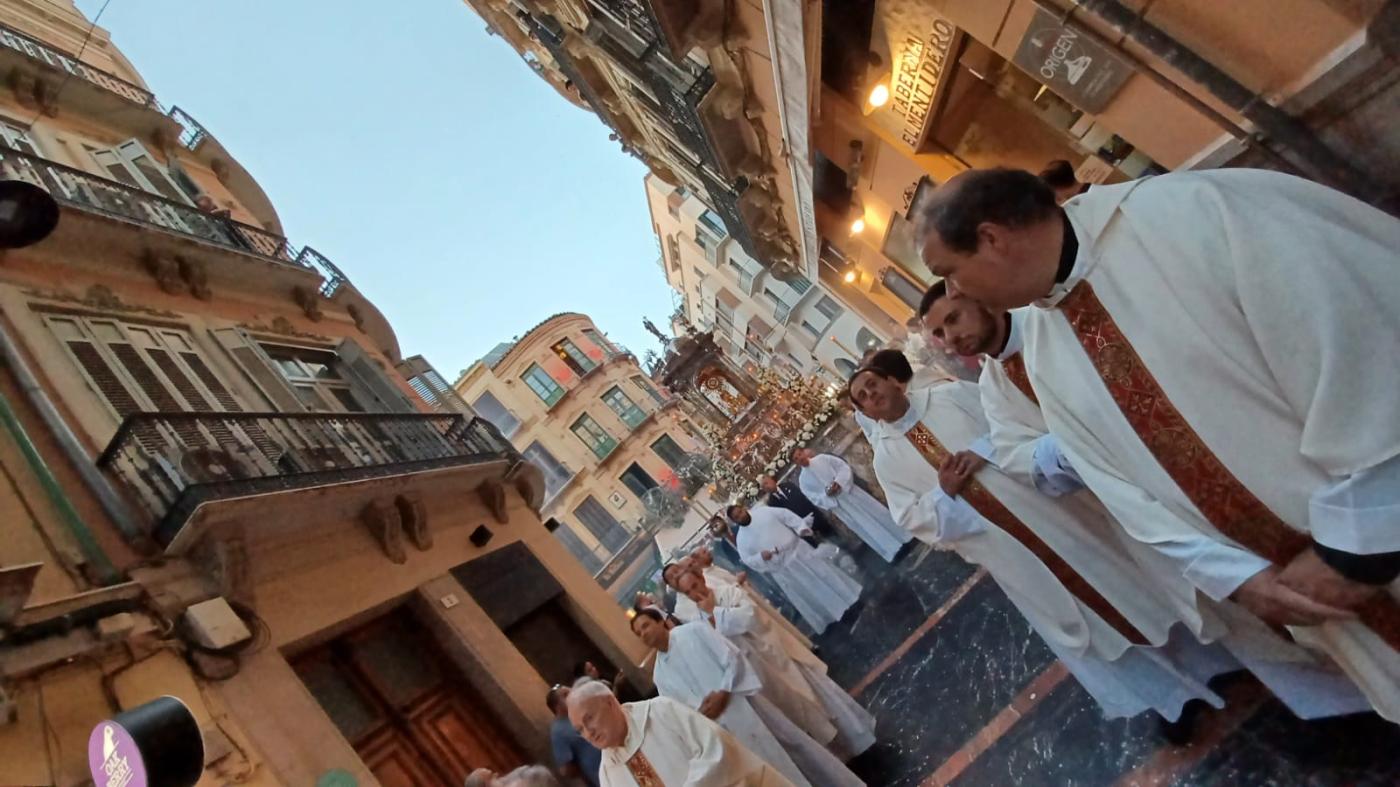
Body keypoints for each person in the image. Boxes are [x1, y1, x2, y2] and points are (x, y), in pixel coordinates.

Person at [916, 166, 1399, 720]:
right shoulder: (1047, 346)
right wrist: (1235, 577)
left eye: (949, 275)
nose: (952, 293)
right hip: (1303, 590)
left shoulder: (1190, 213)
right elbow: (1118, 488)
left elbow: (1367, 350)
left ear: (991, 239)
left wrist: (1352, 548)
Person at [848, 350, 1263, 726]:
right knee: (1081, 620)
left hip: (1052, 516)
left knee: (1125, 584)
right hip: (1006, 548)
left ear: (891, 381)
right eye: (863, 396)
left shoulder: (950, 395)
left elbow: (1007, 421)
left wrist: (982, 450)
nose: (871, 394)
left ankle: (1212, 663)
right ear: (865, 410)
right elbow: (910, 516)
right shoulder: (887, 458)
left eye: (873, 384)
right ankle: (1171, 700)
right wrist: (946, 491)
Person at [630, 609, 861, 787]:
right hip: (722, 729)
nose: (644, 634)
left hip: (744, 705)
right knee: (768, 769)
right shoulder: (661, 676)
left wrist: (723, 692)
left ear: (660, 621)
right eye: (639, 634)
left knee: (793, 746)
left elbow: (732, 657)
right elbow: (678, 711)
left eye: (646, 626)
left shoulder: (694, 631)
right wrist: (701, 714)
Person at [676, 570, 877, 761]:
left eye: (695, 585)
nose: (695, 593)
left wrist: (716, 612)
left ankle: (855, 739)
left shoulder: (728, 593)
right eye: (688, 592)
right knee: (793, 719)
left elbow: (751, 618)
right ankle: (838, 758)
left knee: (811, 699)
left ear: (702, 578)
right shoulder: (696, 621)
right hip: (752, 675)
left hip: (771, 659)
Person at [566, 680, 796, 787]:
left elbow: (717, 751)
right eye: (580, 730)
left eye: (589, 719)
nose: (589, 732)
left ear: (610, 702)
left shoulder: (661, 711)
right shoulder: (608, 773)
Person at [728, 504, 863, 634]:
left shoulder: (763, 512)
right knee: (811, 591)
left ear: (743, 509)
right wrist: (760, 557)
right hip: (784, 569)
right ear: (734, 521)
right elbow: (747, 560)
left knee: (825, 575)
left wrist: (800, 527)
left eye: (740, 512)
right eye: (736, 517)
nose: (740, 516)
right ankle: (838, 616)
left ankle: (852, 599)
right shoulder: (742, 540)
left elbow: (786, 515)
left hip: (799, 552)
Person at [792, 447, 910, 563]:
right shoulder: (803, 481)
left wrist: (839, 482)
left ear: (803, 452)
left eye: (800, 454)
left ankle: (902, 535)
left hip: (851, 493)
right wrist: (827, 494)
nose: (800, 459)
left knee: (876, 512)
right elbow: (813, 497)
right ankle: (891, 549)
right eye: (796, 459)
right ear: (796, 462)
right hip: (840, 505)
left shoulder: (822, 459)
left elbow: (843, 467)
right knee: (864, 525)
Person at [547, 685, 602, 787]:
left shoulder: (584, 710)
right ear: (557, 706)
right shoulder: (558, 731)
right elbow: (566, 769)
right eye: (566, 695)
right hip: (600, 773)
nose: (572, 695)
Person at [758, 474, 832, 543]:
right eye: (763, 487)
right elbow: (784, 519)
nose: (767, 487)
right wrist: (801, 522)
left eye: (766, 483)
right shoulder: (771, 504)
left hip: (816, 518)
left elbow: (805, 499)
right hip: (803, 530)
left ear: (772, 480)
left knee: (836, 539)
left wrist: (812, 515)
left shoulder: (788, 485)